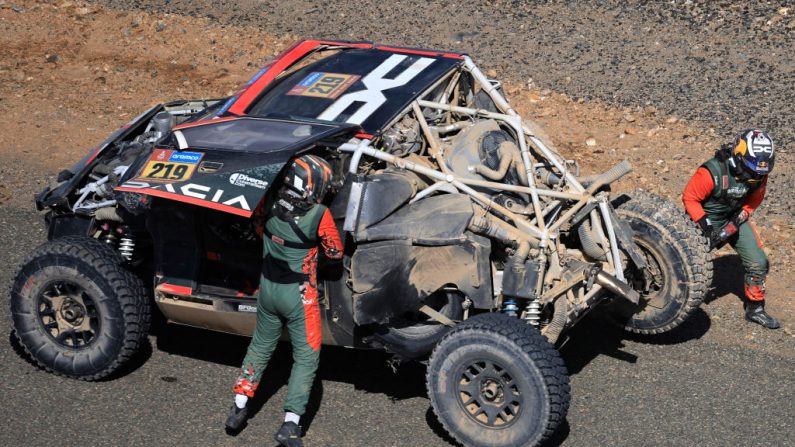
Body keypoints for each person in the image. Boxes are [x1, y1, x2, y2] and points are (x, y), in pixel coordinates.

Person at [226, 154, 343, 446]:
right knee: (305, 357)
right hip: (298, 297)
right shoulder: (318, 214)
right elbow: (335, 252)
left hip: (268, 289)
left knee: (261, 345)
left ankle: (239, 407)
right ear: (312, 185)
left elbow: (256, 229)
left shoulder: (267, 201)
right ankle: (290, 425)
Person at [682, 129, 780, 329]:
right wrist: (707, 228)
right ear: (739, 156)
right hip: (701, 218)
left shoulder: (760, 173)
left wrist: (739, 218)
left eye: (760, 173)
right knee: (684, 264)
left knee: (758, 262)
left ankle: (755, 308)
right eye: (751, 170)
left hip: (733, 217)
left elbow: (755, 199)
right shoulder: (712, 171)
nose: (755, 177)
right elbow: (690, 198)